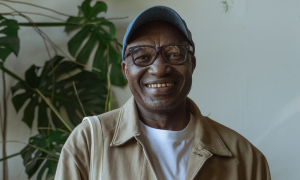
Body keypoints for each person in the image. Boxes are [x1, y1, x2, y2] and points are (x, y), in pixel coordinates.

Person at [55, 6, 271, 180]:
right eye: (142, 56)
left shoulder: (245, 158)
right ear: (125, 70)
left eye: (175, 54)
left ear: (192, 64)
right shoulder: (89, 142)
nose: (159, 69)